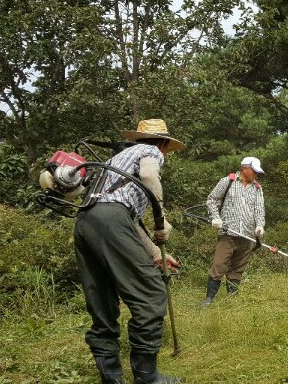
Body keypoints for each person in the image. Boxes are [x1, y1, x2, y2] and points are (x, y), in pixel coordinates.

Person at [73, 118, 185, 384]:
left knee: (101, 300)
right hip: (112, 221)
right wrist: (161, 218)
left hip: (86, 222)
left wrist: (156, 254)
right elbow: (148, 176)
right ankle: (147, 378)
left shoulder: (116, 160)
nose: (166, 153)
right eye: (167, 148)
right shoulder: (150, 152)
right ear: (164, 142)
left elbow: (128, 220)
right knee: (151, 295)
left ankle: (111, 380)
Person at [201, 156, 266, 306]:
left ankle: (232, 299)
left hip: (248, 235)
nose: (256, 175)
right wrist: (216, 218)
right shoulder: (227, 181)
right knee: (219, 265)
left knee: (238, 268)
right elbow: (212, 199)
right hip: (227, 233)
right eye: (254, 171)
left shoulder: (257, 187)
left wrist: (260, 225)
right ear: (245, 168)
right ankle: (209, 298)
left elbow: (259, 209)